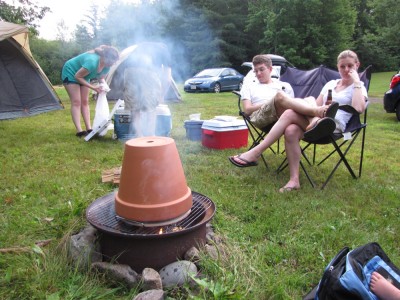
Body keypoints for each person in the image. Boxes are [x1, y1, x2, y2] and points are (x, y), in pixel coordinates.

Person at [228, 54, 343, 192]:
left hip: (282, 118)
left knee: (303, 106)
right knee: (281, 97)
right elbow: (247, 109)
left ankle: (294, 180)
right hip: (260, 117)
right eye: (255, 70)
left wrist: (280, 101)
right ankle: (316, 115)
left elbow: (294, 107)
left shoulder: (284, 85)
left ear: (270, 69)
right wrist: (273, 101)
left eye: (261, 69)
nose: (258, 73)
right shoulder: (249, 86)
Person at [61, 45, 120, 137]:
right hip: (71, 72)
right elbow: (77, 76)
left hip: (84, 75)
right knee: (77, 101)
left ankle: (89, 128)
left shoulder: (107, 66)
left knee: (85, 101)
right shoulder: (92, 62)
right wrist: (93, 87)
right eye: (113, 61)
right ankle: (79, 130)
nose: (113, 64)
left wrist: (104, 87)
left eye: (115, 62)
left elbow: (101, 78)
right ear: (106, 58)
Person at [123, 42, 172, 138]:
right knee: (151, 107)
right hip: (148, 71)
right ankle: (150, 135)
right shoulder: (165, 51)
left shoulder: (143, 46)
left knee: (134, 107)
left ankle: (138, 135)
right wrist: (161, 96)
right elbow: (167, 79)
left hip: (129, 71)